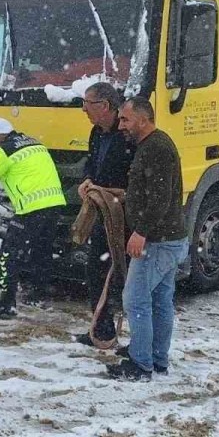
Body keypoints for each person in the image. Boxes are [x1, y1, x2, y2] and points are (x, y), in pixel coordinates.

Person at [107, 97, 189, 381]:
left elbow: (160, 198)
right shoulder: (151, 146)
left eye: (125, 120)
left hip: (157, 240)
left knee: (135, 299)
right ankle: (156, 358)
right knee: (159, 299)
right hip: (166, 237)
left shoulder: (157, 148)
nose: (121, 126)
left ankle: (140, 365)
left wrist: (140, 232)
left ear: (143, 120)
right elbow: (150, 192)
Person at [0, 117, 67, 319]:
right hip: (54, 203)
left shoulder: (4, 149)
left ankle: (6, 302)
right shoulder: (35, 143)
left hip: (31, 208)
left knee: (9, 252)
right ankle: (38, 292)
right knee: (42, 249)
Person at [73, 82, 136, 349]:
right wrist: (88, 180)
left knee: (123, 274)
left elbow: (136, 174)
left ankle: (136, 339)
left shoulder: (127, 135)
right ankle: (101, 329)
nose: (84, 109)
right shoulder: (96, 132)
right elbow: (91, 161)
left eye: (88, 104)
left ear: (105, 106)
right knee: (95, 269)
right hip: (101, 210)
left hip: (125, 213)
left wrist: (118, 192)